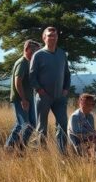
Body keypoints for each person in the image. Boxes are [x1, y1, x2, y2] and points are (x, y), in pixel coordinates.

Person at [29, 26, 72, 154]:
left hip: (60, 97)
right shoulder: (38, 55)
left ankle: (62, 153)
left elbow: (67, 73)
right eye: (49, 36)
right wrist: (39, 90)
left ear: (57, 38)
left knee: (63, 125)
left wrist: (66, 89)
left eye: (54, 35)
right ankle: (42, 154)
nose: (52, 38)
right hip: (43, 97)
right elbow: (32, 76)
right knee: (41, 127)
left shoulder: (62, 54)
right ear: (44, 38)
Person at [5, 40, 41, 152]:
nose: (36, 53)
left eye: (37, 51)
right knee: (25, 125)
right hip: (20, 99)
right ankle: (17, 147)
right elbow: (18, 82)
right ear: (26, 49)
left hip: (29, 98)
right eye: (34, 50)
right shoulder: (22, 63)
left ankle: (13, 147)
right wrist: (23, 99)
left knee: (29, 124)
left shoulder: (30, 63)